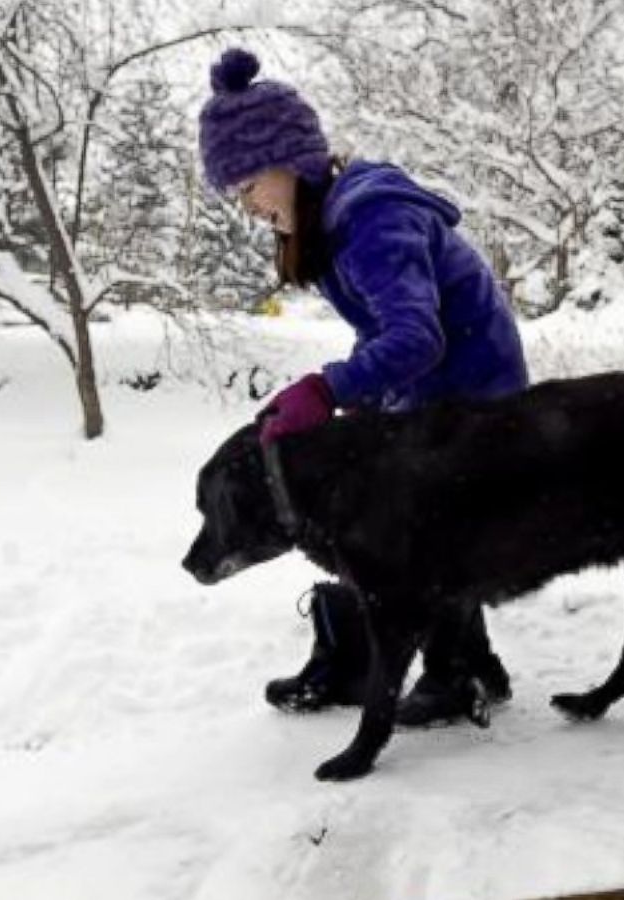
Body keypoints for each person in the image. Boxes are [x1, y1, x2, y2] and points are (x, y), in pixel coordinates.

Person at [198, 47, 527, 726]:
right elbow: (386, 333)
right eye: (237, 194)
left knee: (414, 521)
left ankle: (453, 672)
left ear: (289, 162)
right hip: (435, 392)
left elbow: (417, 337)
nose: (248, 206)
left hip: (475, 396)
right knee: (375, 498)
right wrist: (344, 393)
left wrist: (328, 388)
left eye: (249, 185)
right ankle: (441, 662)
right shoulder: (337, 220)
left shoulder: (372, 220)